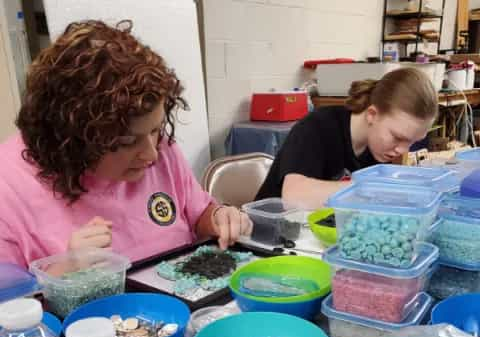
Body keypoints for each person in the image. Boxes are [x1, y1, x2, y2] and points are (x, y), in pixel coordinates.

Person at [0, 20, 252, 268]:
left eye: (155, 130)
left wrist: (219, 217)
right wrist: (63, 272)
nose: (152, 154)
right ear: (72, 138)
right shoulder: (10, 189)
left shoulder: (159, 148)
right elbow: (12, 302)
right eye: (127, 140)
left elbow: (198, 213)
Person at [256, 67, 438, 209]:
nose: (402, 150)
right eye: (397, 137)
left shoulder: (379, 148)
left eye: (412, 142)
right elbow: (294, 197)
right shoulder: (317, 127)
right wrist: (374, 189)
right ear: (372, 114)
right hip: (270, 238)